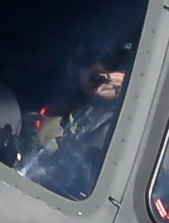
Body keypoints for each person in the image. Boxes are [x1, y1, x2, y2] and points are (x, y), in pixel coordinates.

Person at [22, 56, 126, 196]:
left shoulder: (130, 132)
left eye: (112, 65)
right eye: (88, 61)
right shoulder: (55, 115)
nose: (99, 73)